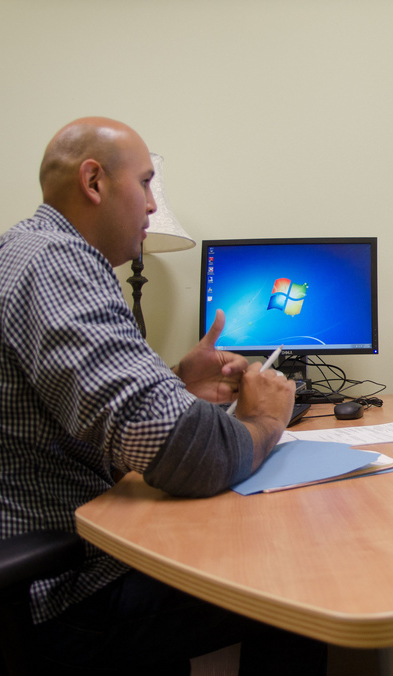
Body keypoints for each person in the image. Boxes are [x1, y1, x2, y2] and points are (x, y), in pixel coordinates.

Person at [0, 118, 327, 674]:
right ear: (94, 182)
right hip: (67, 593)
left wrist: (176, 381)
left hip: (62, 556)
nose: (153, 205)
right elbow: (190, 454)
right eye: (146, 182)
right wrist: (269, 419)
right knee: (300, 581)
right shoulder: (57, 262)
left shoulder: (21, 250)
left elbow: (82, 413)